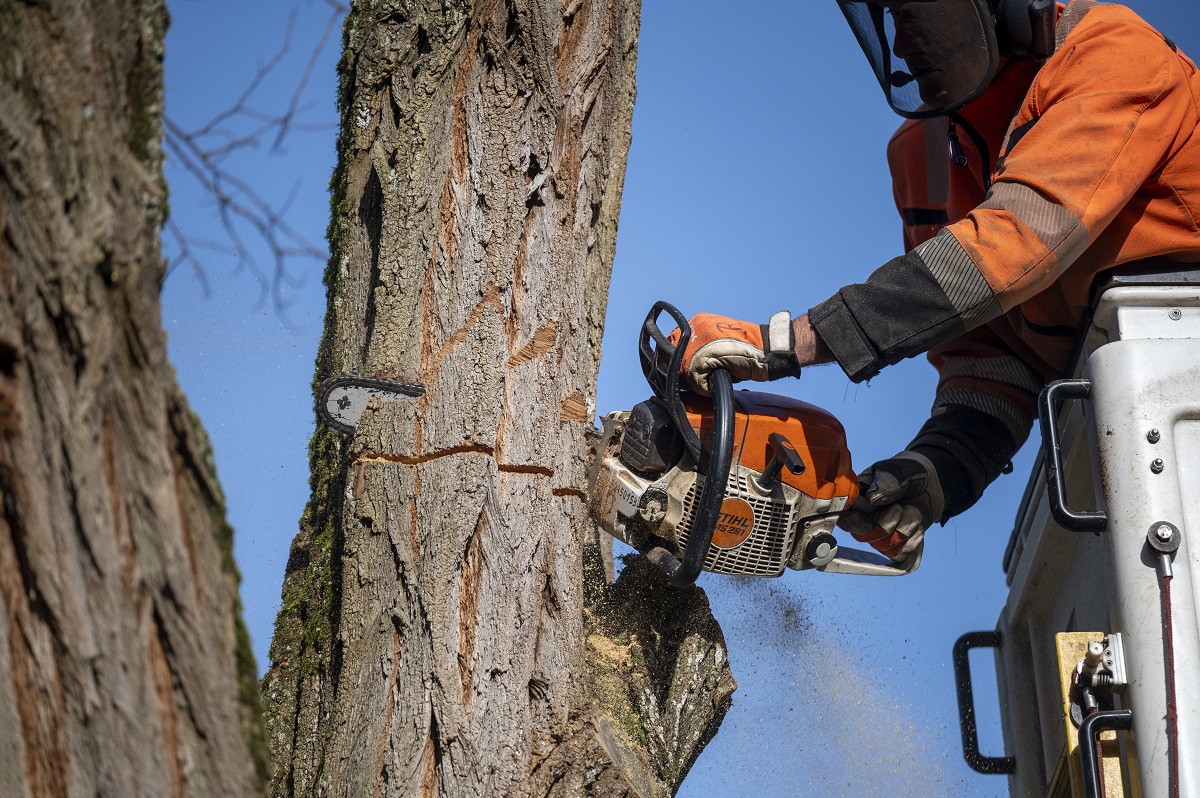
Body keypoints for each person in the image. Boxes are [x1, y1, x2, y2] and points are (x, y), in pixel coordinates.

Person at [676, 0, 1200, 561]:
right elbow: (989, 364)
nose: (901, 45)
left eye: (913, 13)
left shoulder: (1115, 56)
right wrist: (931, 474)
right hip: (1114, 452)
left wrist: (789, 342)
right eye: (889, 24)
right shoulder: (922, 154)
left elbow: (1015, 243)